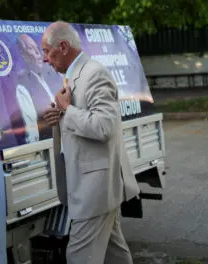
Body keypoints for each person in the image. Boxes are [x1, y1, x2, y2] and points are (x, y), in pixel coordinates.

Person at [41, 21, 140, 264]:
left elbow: (104, 127)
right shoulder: (74, 75)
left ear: (63, 46)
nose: (45, 59)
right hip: (93, 186)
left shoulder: (94, 73)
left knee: (78, 257)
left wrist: (67, 109)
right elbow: (82, 119)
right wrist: (60, 115)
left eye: (46, 51)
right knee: (114, 255)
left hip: (94, 189)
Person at [10, 33, 61, 144]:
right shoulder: (22, 87)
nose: (38, 53)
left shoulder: (52, 75)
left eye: (37, 48)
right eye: (31, 49)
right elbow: (32, 134)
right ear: (23, 55)